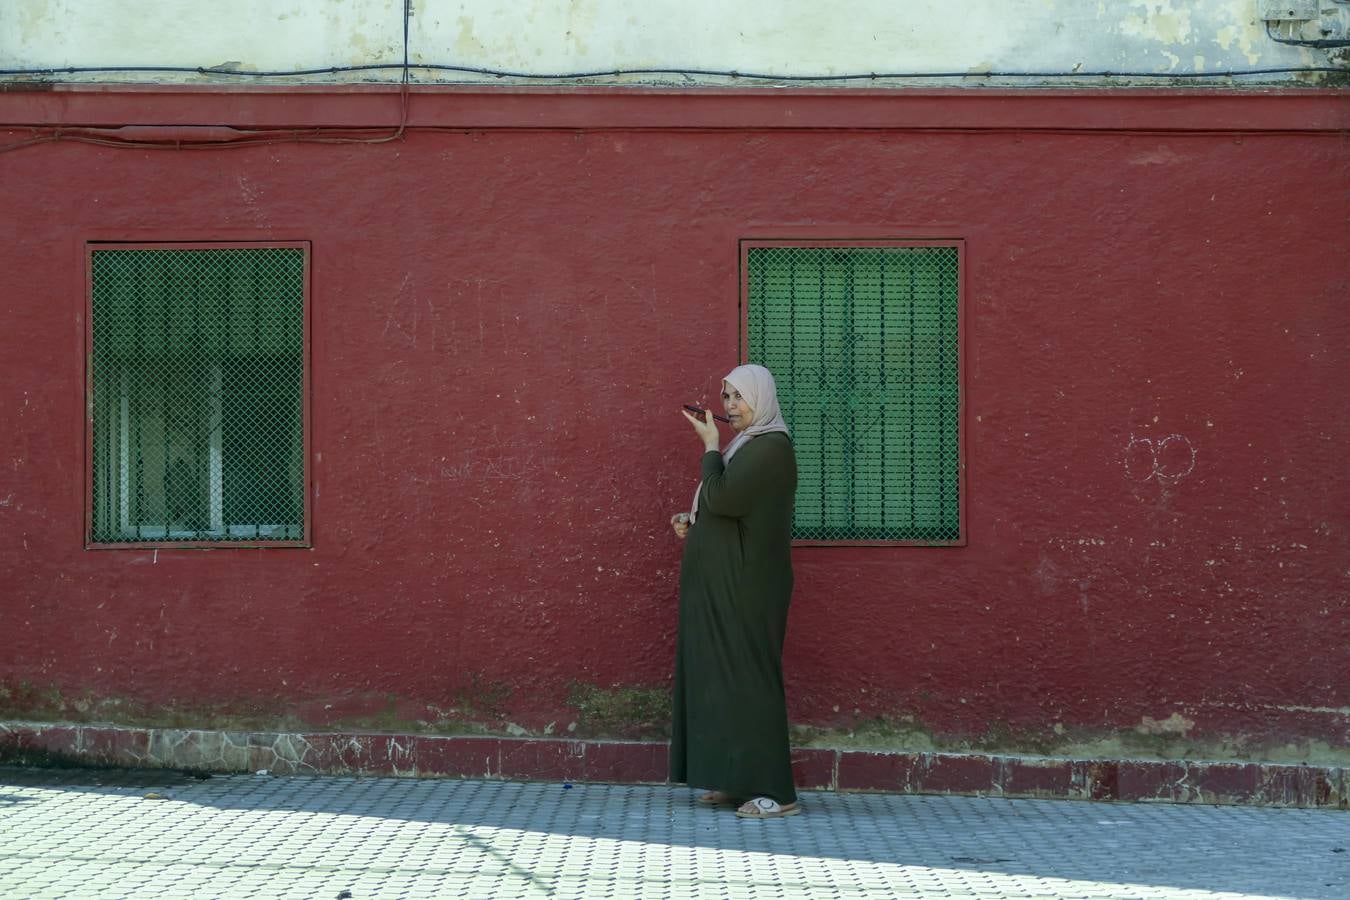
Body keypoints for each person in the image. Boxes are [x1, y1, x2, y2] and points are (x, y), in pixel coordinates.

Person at [668, 363, 800, 819]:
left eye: (738, 398)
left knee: (751, 680)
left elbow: (723, 497)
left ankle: (779, 793)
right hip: (728, 583)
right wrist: (694, 523)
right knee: (723, 678)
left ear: (760, 399)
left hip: (750, 587)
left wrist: (709, 447)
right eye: (726, 398)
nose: (729, 407)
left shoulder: (772, 449)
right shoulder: (747, 447)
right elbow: (724, 508)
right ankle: (737, 779)